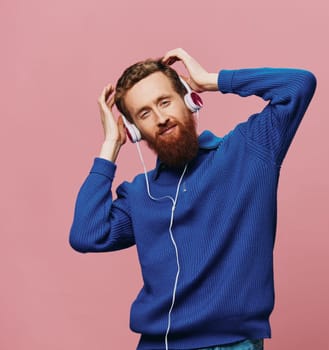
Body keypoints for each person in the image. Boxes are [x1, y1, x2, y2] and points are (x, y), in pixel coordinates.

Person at [69, 47, 316, 350]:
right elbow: (86, 234)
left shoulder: (249, 151)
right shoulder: (138, 194)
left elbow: (299, 84)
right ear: (135, 131)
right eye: (145, 114)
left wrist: (211, 81)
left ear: (188, 99)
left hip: (231, 344)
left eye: (165, 101)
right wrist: (110, 144)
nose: (160, 118)